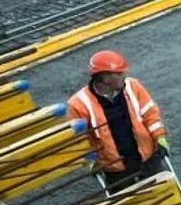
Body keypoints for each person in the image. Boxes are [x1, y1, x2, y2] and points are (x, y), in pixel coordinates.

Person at [67, 50, 169, 192]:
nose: (124, 76)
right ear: (105, 78)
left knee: (164, 193)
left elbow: (150, 114)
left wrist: (160, 137)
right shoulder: (79, 104)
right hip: (115, 167)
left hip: (147, 155)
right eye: (119, 74)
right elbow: (80, 139)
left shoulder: (133, 86)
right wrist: (90, 161)